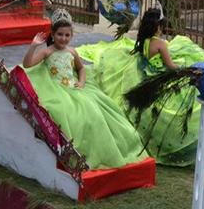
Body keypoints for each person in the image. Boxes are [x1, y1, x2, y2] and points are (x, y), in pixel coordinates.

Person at [76, 8, 204, 166]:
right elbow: (170, 66)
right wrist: (186, 70)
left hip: (146, 71)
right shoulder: (160, 43)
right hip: (160, 72)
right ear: (159, 26)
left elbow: (147, 58)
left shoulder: (144, 41)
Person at [21, 9, 148, 169]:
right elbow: (27, 64)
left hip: (73, 88)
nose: (63, 38)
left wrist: (81, 82)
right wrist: (33, 46)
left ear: (71, 36)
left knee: (94, 110)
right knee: (65, 112)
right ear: (52, 34)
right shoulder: (47, 52)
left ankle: (99, 149)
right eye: (60, 34)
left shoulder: (72, 52)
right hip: (56, 89)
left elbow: (81, 69)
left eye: (67, 35)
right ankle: (70, 150)